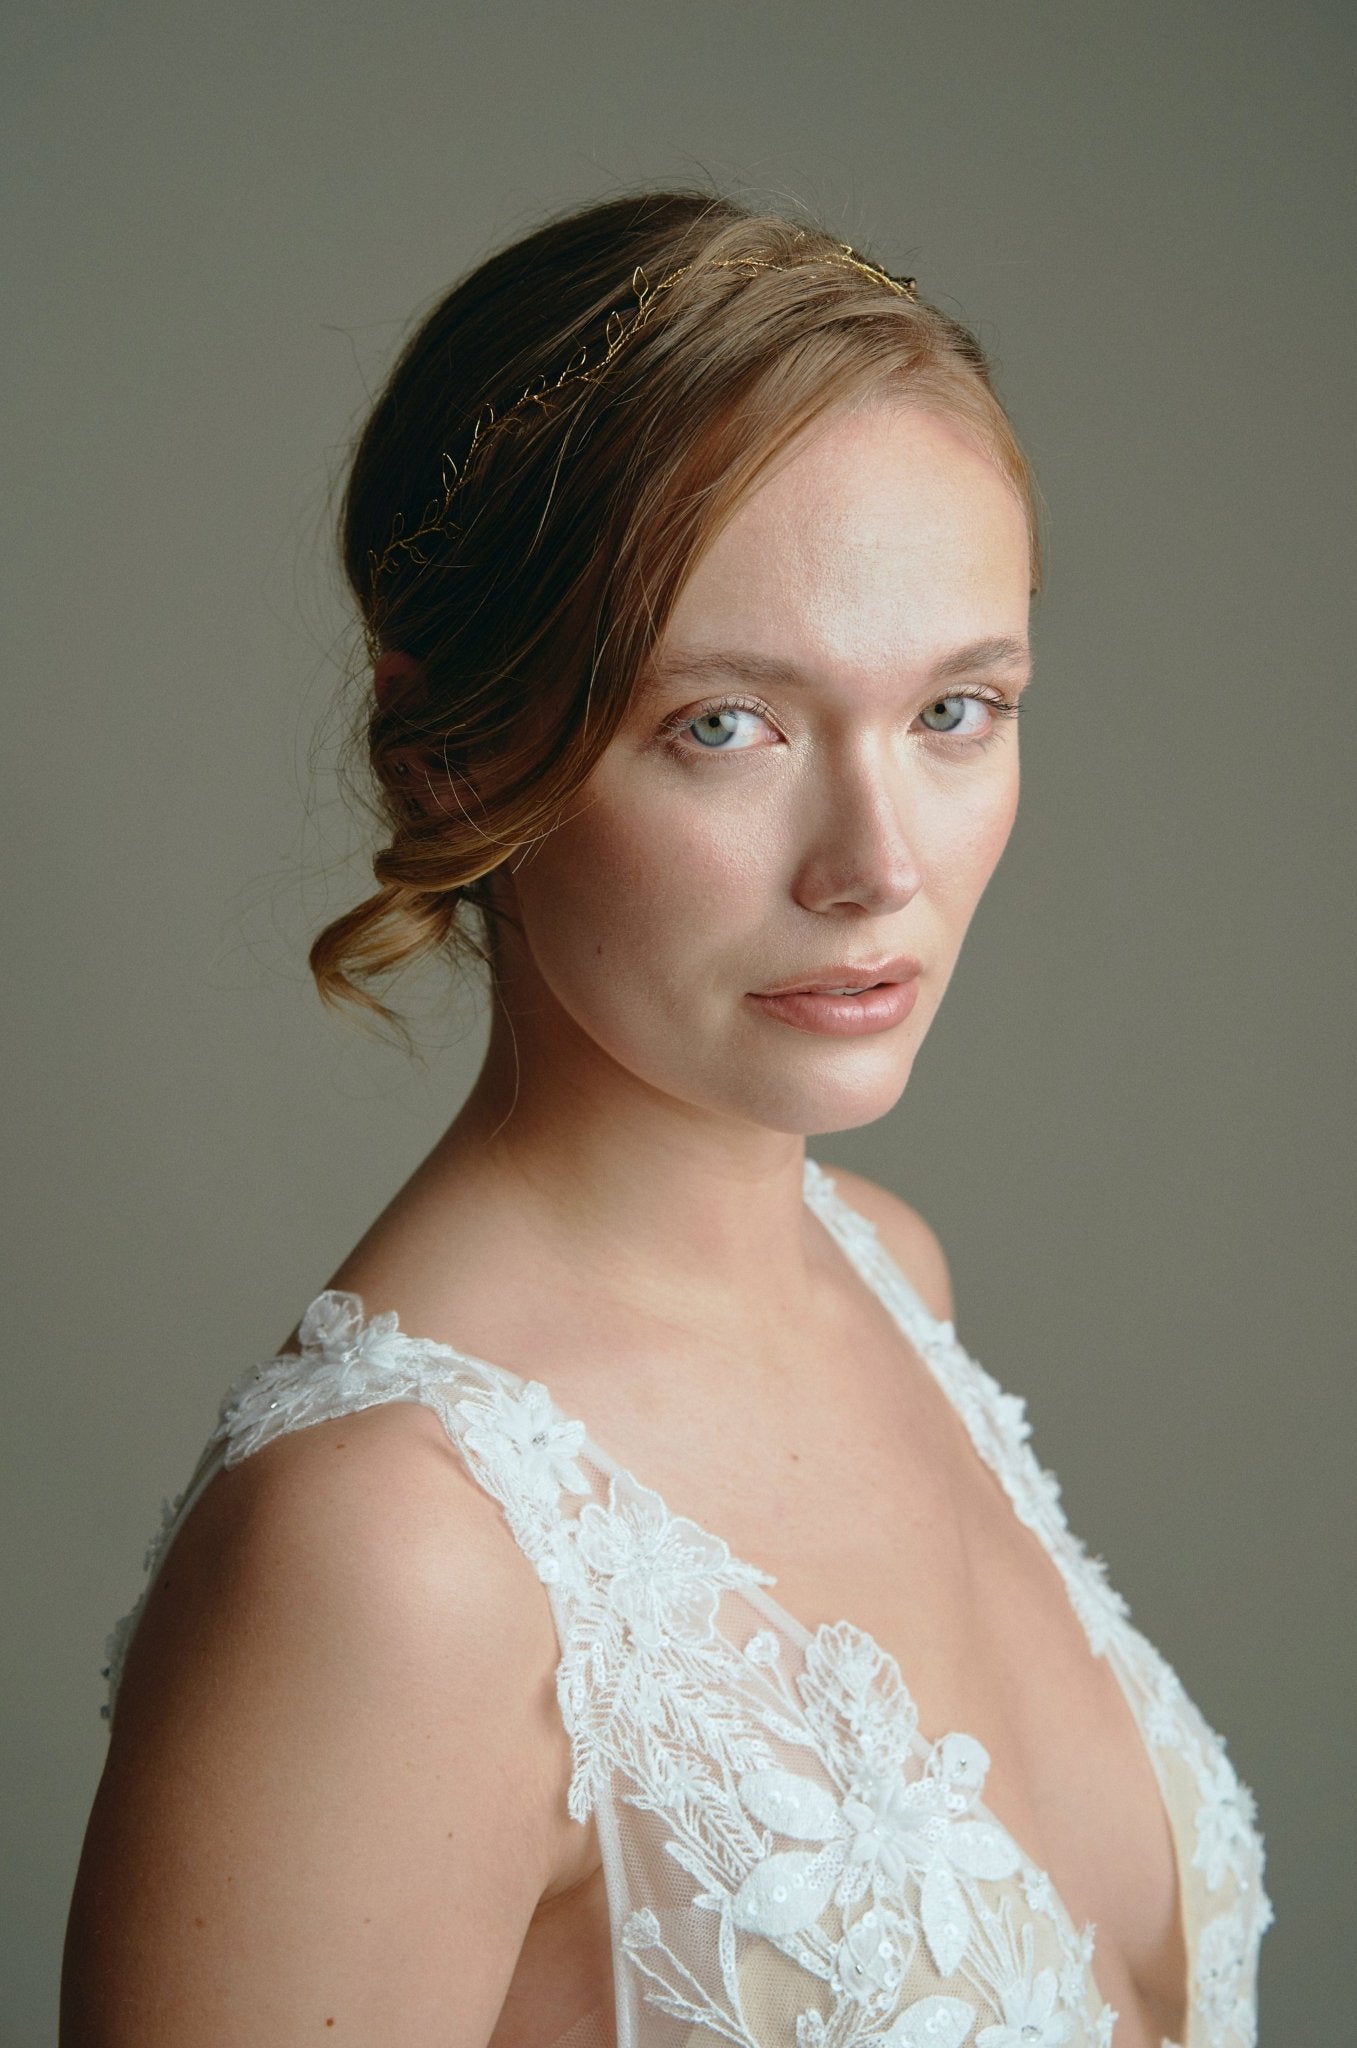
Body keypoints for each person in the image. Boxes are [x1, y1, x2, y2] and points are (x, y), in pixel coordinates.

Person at [61, 191, 1270, 2048]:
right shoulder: (392, 1557)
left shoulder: (888, 1274)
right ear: (446, 747)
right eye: (725, 725)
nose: (877, 868)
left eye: (956, 708)